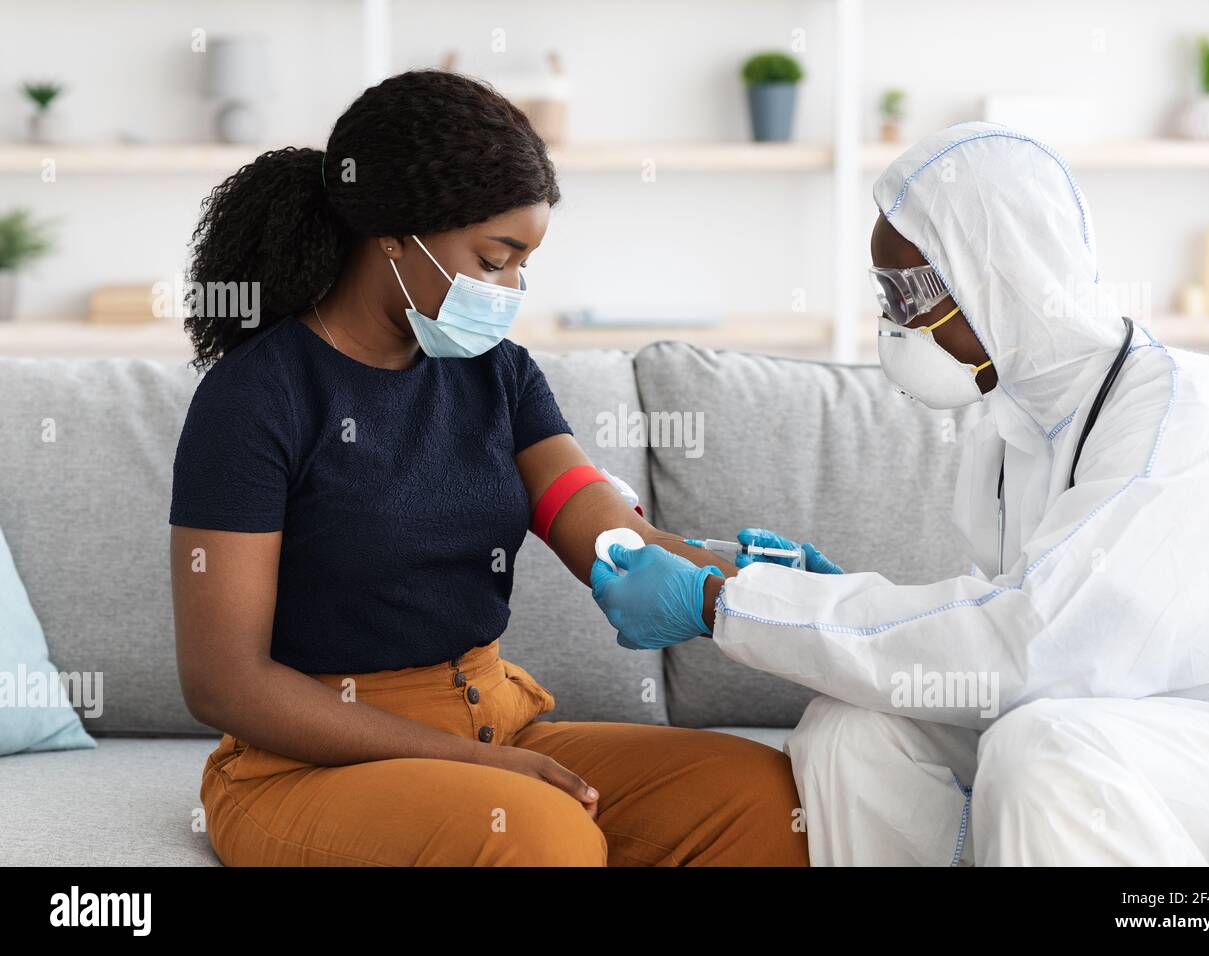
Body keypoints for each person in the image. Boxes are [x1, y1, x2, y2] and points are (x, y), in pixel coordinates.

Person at [590, 122, 1209, 866]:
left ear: (1000, 277)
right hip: (1108, 714)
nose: (896, 322)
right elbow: (1004, 622)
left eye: (915, 290)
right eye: (885, 293)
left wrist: (725, 602)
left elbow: (1023, 649)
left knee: (1043, 752)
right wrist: (831, 603)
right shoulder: (1010, 422)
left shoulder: (1184, 419)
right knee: (853, 726)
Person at [170, 69, 807, 867]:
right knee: (540, 837)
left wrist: (760, 584)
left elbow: (596, 524)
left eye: (524, 266)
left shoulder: (497, 373)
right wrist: (476, 766)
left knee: (764, 797)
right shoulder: (258, 396)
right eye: (496, 259)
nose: (511, 292)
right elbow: (223, 683)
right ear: (395, 233)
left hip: (491, 717)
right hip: (305, 764)